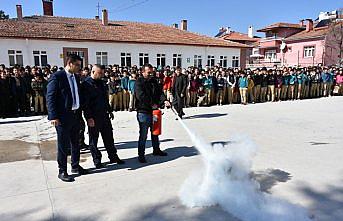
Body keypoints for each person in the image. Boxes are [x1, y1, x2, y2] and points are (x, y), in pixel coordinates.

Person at [46, 54, 89, 182]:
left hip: (75, 115)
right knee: (63, 145)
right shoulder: (57, 77)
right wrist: (53, 116)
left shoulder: (76, 77)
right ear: (70, 63)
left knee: (76, 143)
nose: (79, 68)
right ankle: (62, 170)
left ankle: (75, 166)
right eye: (77, 65)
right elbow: (50, 97)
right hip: (62, 117)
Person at [81, 65, 125, 169]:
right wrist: (88, 117)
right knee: (93, 141)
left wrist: (110, 111)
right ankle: (97, 160)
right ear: (93, 72)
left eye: (102, 73)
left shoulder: (101, 83)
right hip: (93, 117)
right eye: (99, 73)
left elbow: (104, 99)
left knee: (109, 138)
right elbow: (85, 104)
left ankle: (113, 156)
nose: (101, 75)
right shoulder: (86, 84)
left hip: (104, 115)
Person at [134, 64, 171, 163]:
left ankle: (156, 150)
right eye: (148, 72)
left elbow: (160, 93)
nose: (151, 74)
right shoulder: (139, 82)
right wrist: (152, 104)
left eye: (152, 72)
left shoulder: (154, 81)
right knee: (143, 134)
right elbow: (140, 96)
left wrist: (165, 100)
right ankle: (141, 155)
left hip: (154, 112)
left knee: (155, 132)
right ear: (143, 72)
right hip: (143, 112)